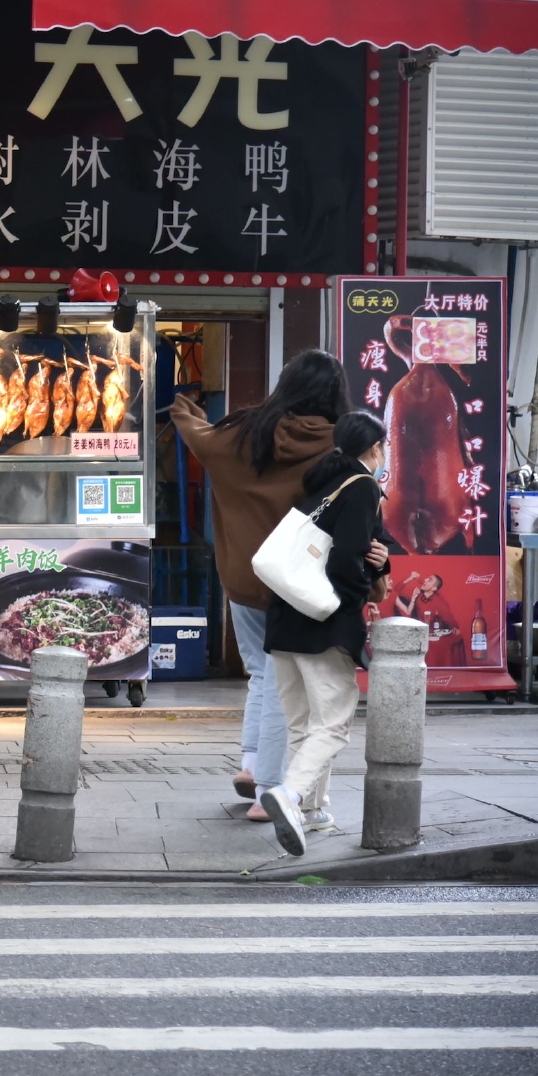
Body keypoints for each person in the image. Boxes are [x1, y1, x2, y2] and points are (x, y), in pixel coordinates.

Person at [171, 350, 343, 822]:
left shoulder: (243, 434)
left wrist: (187, 409)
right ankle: (270, 786)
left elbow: (197, 435)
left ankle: (251, 764)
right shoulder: (336, 446)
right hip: (295, 580)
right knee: (279, 680)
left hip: (243, 578)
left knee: (261, 674)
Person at [258, 411, 397, 857]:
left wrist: (377, 560)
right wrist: (354, 599)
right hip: (324, 621)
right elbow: (344, 562)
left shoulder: (321, 482)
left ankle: (314, 811)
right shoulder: (362, 486)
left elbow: (345, 548)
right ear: (375, 447)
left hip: (284, 619)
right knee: (333, 724)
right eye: (384, 445)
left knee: (304, 725)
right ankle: (292, 795)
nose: (385, 452)